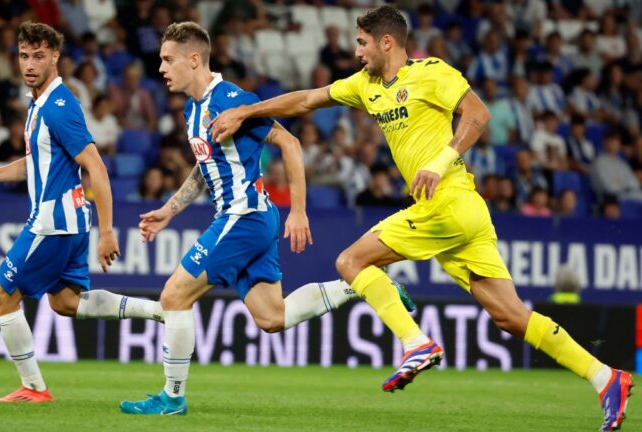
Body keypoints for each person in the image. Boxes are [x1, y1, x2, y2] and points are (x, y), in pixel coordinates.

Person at [209, 6, 632, 431]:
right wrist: (247, 111)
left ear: (386, 42)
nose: (356, 52)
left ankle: (416, 343)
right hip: (460, 213)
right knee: (509, 316)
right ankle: (605, 377)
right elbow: (304, 99)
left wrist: (441, 160)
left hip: (446, 201)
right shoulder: (365, 85)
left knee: (351, 262)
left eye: (361, 43)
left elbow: (478, 114)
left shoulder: (432, 72)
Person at [119, 21, 365, 416]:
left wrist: (298, 211)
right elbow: (205, 166)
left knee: (173, 296)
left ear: (194, 59)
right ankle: (361, 285)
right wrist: (169, 210)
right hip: (249, 217)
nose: (161, 68)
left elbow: (290, 141)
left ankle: (172, 398)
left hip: (244, 215)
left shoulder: (230, 99)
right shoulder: (192, 107)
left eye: (168, 60)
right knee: (272, 317)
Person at [0, 21, 163, 404]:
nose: (30, 64)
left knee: (3, 297)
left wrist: (108, 232)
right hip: (70, 220)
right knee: (66, 302)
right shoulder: (39, 103)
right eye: (24, 56)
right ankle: (158, 310)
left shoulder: (58, 107)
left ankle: (34, 388)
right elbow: (34, 163)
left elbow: (96, 166)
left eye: (39, 56)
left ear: (55, 57)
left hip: (53, 222)